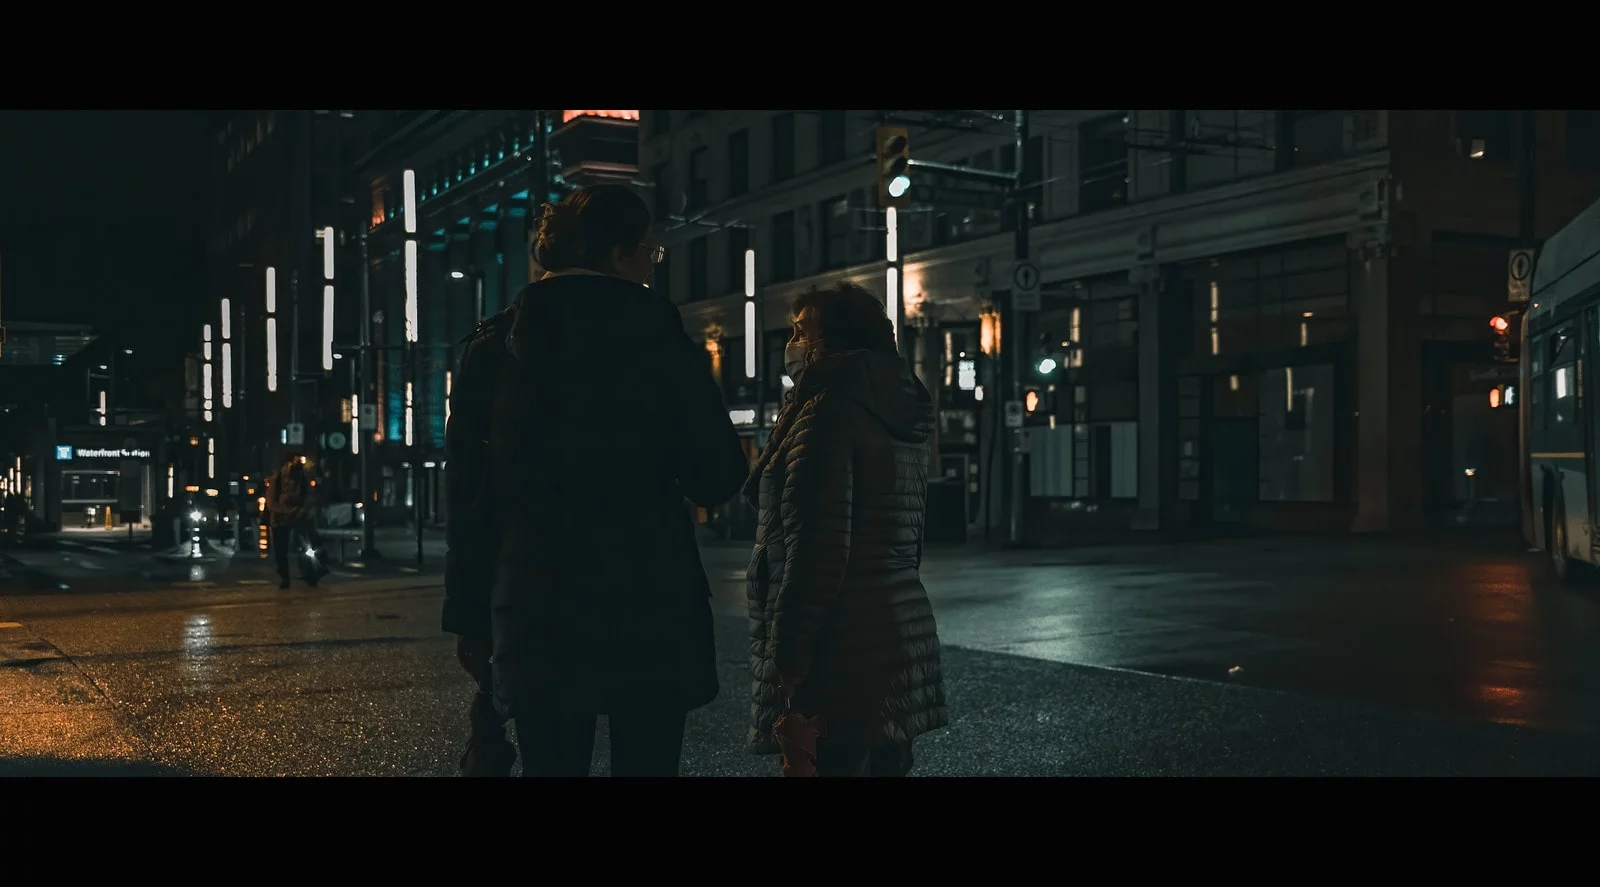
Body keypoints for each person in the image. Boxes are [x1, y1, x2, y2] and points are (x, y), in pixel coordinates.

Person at [442, 183, 748, 777]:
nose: (650, 264)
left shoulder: (495, 349)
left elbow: (470, 500)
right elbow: (716, 476)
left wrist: (470, 617)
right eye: (649, 251)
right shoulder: (663, 343)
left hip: (536, 604)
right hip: (650, 600)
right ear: (618, 255)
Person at [743, 283, 949, 777]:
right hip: (896, 625)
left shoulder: (828, 410)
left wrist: (791, 654)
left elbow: (816, 546)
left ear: (831, 341)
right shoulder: (897, 404)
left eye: (801, 331)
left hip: (839, 640)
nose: (792, 342)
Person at [266, 454, 327, 589]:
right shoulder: (278, 480)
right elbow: (272, 504)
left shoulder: (302, 479)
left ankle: (313, 571)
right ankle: (285, 577)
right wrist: (290, 511)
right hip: (280, 520)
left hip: (296, 518)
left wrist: (301, 511)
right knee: (281, 550)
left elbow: (308, 497)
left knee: (309, 543)